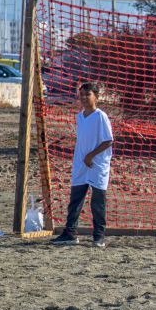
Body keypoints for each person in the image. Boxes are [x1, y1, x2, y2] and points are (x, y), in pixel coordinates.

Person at [52, 82, 113, 247]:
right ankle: (70, 233)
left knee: (97, 201)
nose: (84, 98)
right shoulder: (80, 116)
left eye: (88, 95)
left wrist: (91, 155)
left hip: (97, 164)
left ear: (96, 97)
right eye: (82, 95)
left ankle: (99, 236)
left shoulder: (101, 116)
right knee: (75, 199)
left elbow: (108, 140)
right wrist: (82, 157)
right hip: (81, 163)